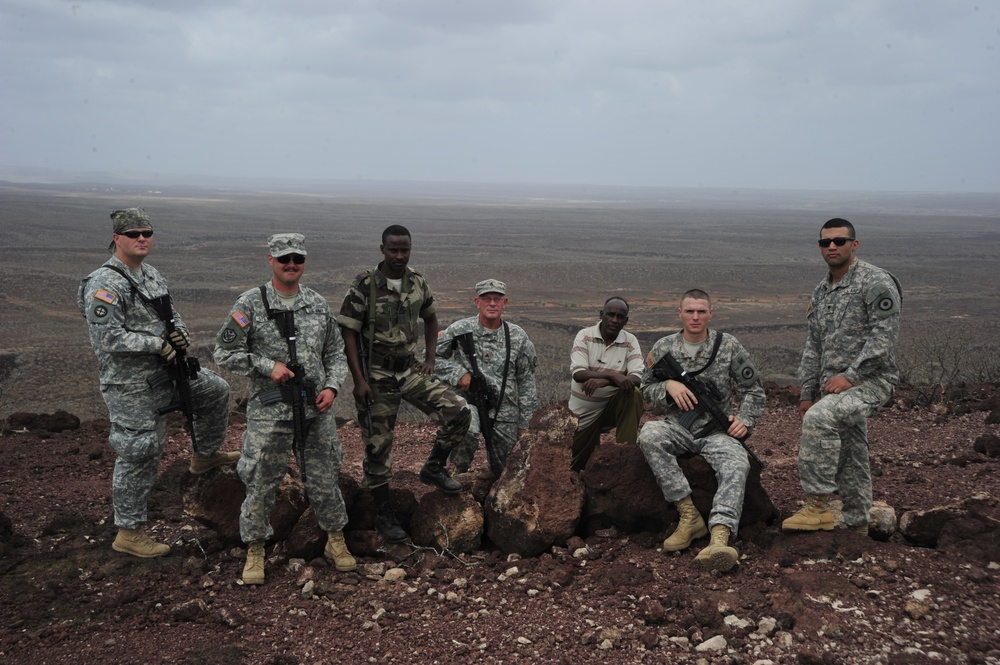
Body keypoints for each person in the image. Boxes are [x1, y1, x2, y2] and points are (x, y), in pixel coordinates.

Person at [78, 207, 236, 558]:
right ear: (116, 238)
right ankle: (129, 531)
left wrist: (179, 334)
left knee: (215, 391)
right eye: (133, 234)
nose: (141, 239)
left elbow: (171, 313)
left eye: (146, 233)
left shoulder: (150, 275)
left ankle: (205, 457)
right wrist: (155, 344)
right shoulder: (105, 283)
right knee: (141, 451)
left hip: (167, 373)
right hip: (130, 384)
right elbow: (108, 339)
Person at [214, 233, 355, 585]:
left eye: (297, 258)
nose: (291, 264)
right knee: (261, 480)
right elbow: (224, 352)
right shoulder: (250, 303)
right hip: (270, 410)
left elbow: (336, 353)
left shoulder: (317, 304)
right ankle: (256, 550)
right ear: (270, 260)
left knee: (324, 478)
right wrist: (267, 366)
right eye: (284, 258)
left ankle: (336, 541)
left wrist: (332, 387)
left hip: (315, 410)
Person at [338, 225, 471, 543]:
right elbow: (349, 333)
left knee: (458, 410)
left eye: (405, 249)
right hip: (376, 376)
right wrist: (359, 380)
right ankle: (384, 515)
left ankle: (435, 466)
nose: (399, 255)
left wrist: (430, 358)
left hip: (409, 371)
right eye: (393, 249)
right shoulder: (365, 285)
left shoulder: (417, 281)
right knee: (378, 448)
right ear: (381, 248)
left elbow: (431, 318)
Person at [783, 218, 901, 536]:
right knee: (851, 449)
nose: (832, 247)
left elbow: (883, 338)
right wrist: (807, 392)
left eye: (839, 240)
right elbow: (814, 346)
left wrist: (850, 376)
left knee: (821, 420)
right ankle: (858, 522)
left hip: (871, 380)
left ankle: (819, 506)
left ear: (854, 244)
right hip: (834, 386)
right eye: (825, 242)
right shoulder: (822, 292)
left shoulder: (875, 282)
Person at [637, 289, 765, 573]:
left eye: (701, 311)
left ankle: (720, 535)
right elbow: (645, 388)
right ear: (679, 313)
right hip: (677, 427)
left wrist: (745, 420)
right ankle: (688, 515)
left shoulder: (728, 346)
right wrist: (668, 387)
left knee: (736, 462)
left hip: (716, 431)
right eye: (690, 311)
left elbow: (754, 390)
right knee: (648, 435)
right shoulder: (663, 347)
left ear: (710, 313)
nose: (696, 317)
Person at [435, 279, 539, 476]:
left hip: (504, 409)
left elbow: (526, 382)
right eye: (487, 299)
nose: (492, 303)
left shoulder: (518, 336)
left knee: (508, 471)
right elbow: (431, 358)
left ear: (504, 303)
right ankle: (457, 477)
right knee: (467, 430)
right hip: (469, 401)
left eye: (497, 299)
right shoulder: (460, 330)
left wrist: (526, 425)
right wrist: (459, 374)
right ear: (477, 302)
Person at [568, 297, 645, 471]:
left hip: (612, 408)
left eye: (620, 316)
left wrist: (605, 380)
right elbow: (579, 374)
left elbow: (638, 378)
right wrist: (613, 375)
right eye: (610, 315)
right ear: (601, 315)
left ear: (626, 321)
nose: (614, 320)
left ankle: (626, 454)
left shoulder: (630, 341)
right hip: (584, 414)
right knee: (575, 464)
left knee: (633, 394)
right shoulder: (584, 335)